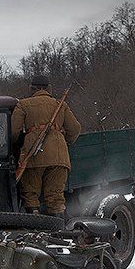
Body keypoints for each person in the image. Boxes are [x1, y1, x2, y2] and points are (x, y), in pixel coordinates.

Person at [11, 75, 82, 216]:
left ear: (32, 88)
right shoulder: (60, 105)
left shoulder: (23, 104)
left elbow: (13, 132)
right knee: (55, 197)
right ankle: (58, 225)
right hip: (59, 157)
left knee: (30, 195)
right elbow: (75, 129)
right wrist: (64, 142)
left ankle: (34, 223)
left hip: (33, 156)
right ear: (49, 88)